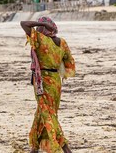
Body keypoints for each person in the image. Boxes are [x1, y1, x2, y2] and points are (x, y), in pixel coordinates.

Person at [20, 17, 75, 153]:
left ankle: (64, 146)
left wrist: (41, 23)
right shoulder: (62, 42)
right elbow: (70, 63)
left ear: (44, 27)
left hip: (42, 80)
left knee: (47, 113)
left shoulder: (39, 38)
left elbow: (23, 24)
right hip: (56, 81)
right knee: (43, 111)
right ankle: (35, 147)